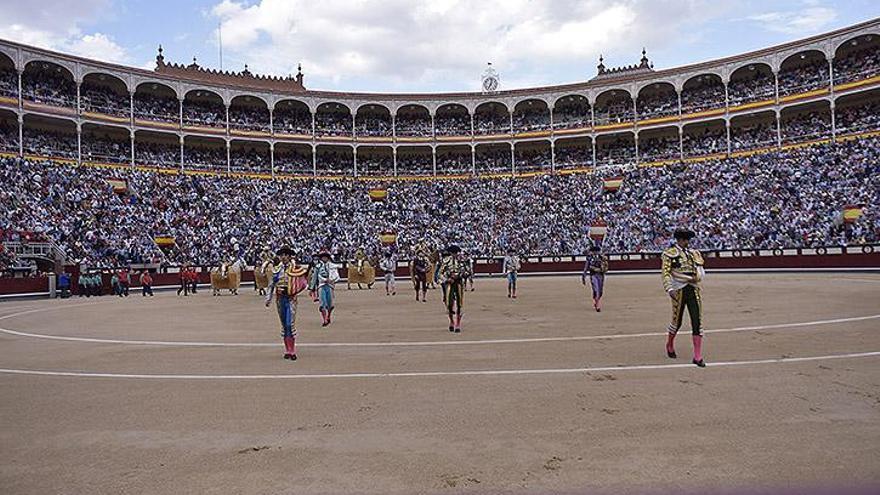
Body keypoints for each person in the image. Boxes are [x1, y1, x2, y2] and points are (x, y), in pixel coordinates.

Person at [662, 228, 707, 367]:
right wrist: (669, 289)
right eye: (686, 239)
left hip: (693, 289)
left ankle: (697, 356)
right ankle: (669, 344)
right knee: (677, 321)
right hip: (678, 290)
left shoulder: (694, 254)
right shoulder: (669, 254)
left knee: (696, 321)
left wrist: (697, 278)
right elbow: (666, 273)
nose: (688, 242)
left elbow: (700, 271)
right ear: (680, 240)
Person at [265, 247, 309, 360]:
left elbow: (304, 284)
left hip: (290, 299)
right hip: (280, 299)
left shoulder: (295, 268)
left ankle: (292, 350)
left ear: (289, 256)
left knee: (290, 324)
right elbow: (271, 284)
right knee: (284, 325)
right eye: (282, 255)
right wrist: (268, 298)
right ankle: (287, 350)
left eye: (285, 255)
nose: (283, 257)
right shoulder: (277, 269)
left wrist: (294, 290)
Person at [438, 245, 472, 333]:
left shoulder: (462, 261)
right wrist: (447, 279)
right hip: (449, 283)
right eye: (453, 253)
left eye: (456, 253)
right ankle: (452, 321)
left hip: (459, 283)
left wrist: (460, 275)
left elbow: (469, 271)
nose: (454, 254)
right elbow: (439, 274)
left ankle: (457, 324)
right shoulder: (446, 261)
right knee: (449, 304)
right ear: (450, 253)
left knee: (460, 304)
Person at [310, 251, 340, 327]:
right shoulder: (318, 266)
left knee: (330, 304)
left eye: (326, 257)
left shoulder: (332, 266)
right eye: (323, 257)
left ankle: (328, 316)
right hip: (321, 286)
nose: (324, 258)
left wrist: (332, 280)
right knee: (322, 304)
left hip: (329, 286)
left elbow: (336, 276)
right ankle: (325, 319)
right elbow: (314, 277)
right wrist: (311, 288)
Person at [582, 245, 609, 312]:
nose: (595, 253)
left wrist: (603, 269)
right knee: (596, 290)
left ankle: (596, 301)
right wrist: (584, 275)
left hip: (601, 275)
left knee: (600, 292)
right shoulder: (589, 258)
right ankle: (598, 305)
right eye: (594, 252)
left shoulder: (602, 258)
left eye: (597, 251)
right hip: (593, 275)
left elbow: (606, 267)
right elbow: (586, 266)